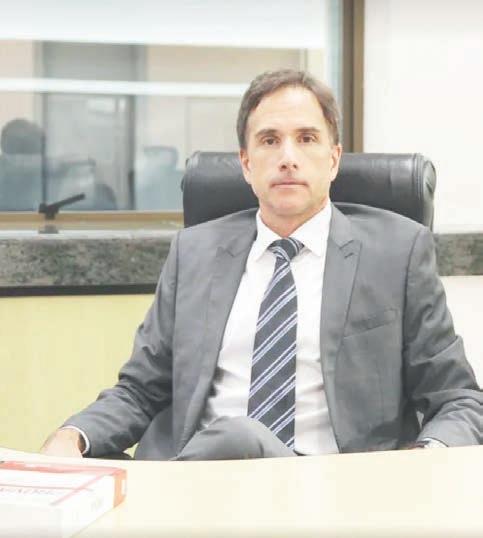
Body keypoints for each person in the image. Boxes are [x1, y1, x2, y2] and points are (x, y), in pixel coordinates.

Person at [41, 70, 482, 460]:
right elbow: (141, 389)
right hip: (200, 484)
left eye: (306, 139)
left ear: (333, 159)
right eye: (270, 140)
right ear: (247, 164)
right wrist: (71, 437)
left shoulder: (396, 253)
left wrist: (419, 463)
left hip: (334, 490)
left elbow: (459, 399)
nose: (288, 156)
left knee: (240, 437)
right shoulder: (194, 253)